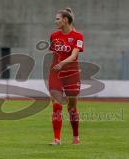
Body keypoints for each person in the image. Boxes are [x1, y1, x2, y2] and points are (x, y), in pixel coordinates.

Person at [48, 7, 84, 145]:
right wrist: (57, 66)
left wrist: (62, 63)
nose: (55, 21)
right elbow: (55, 54)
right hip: (56, 73)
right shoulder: (54, 36)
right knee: (56, 105)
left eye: (57, 19)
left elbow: (74, 55)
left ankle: (76, 136)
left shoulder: (78, 36)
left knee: (71, 108)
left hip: (72, 74)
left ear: (65, 20)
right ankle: (56, 139)